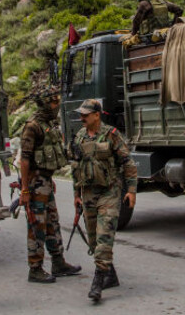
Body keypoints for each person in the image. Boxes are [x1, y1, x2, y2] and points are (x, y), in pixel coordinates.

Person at [69, 99, 138, 303]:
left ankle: (97, 283)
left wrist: (131, 191)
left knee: (104, 236)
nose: (82, 117)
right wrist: (76, 195)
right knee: (94, 240)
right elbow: (75, 167)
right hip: (88, 193)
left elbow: (128, 163)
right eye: (81, 114)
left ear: (97, 115)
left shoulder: (111, 135)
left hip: (110, 191)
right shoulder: (79, 137)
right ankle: (111, 275)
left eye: (86, 114)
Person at [19, 86, 82, 283]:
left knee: (52, 222)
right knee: (37, 225)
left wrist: (50, 178)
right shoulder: (33, 126)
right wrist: (25, 189)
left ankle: (58, 262)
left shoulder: (49, 123)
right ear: (45, 103)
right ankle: (35, 268)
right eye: (53, 102)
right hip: (35, 183)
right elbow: (25, 160)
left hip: (45, 181)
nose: (57, 106)